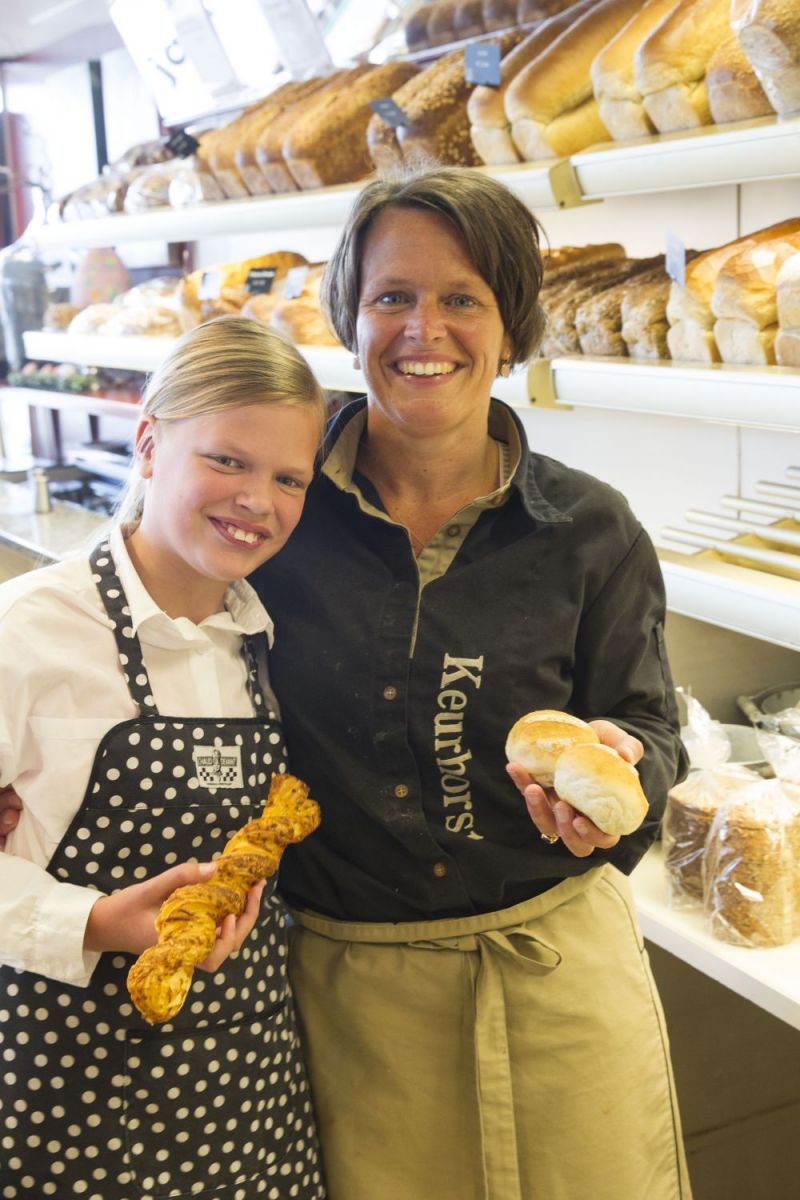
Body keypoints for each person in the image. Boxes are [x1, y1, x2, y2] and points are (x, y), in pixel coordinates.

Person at [248, 167, 693, 1200]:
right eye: (391, 297)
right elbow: (134, 612)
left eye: (461, 299)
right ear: (348, 316)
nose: (423, 330)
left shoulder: (588, 528)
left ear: (509, 326)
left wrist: (631, 769)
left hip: (556, 971)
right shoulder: (276, 511)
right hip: (352, 989)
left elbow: (645, 722)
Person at [0, 316, 327, 1200]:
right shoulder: (28, 632)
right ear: (149, 444)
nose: (258, 498)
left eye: (289, 477)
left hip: (248, 1086)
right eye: (228, 460)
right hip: (73, 1095)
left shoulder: (264, 641)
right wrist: (101, 922)